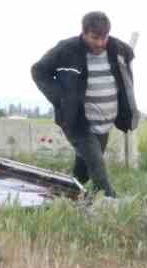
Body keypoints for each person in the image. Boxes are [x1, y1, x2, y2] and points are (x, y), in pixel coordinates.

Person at [31, 11, 139, 199]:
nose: (99, 43)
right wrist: (61, 99)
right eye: (94, 37)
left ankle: (60, 198)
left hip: (104, 122)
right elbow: (38, 71)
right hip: (77, 120)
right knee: (97, 166)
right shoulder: (67, 49)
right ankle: (111, 203)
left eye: (103, 37)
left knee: (83, 171)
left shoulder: (119, 49)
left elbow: (128, 68)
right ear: (84, 33)